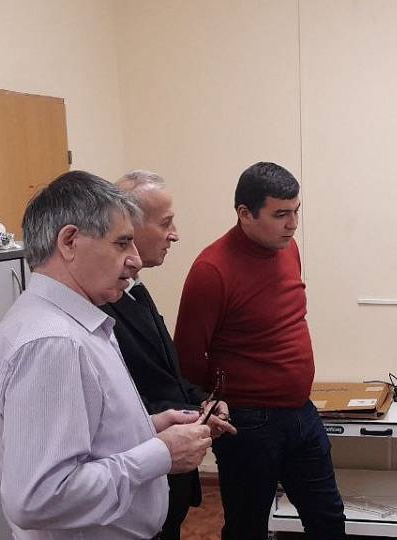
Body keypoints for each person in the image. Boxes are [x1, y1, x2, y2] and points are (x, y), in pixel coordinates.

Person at [0, 170, 222, 539]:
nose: (135, 260)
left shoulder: (75, 323)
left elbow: (85, 440)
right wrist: (159, 453)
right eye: (122, 243)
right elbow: (38, 498)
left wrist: (146, 428)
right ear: (70, 242)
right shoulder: (54, 342)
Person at [175, 162, 346, 539]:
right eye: (280, 214)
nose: (293, 224)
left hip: (301, 410)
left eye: (296, 211)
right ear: (245, 214)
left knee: (328, 517)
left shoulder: (288, 248)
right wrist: (217, 404)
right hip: (249, 422)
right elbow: (188, 355)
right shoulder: (212, 270)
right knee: (247, 527)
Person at [102, 170, 235, 540]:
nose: (174, 234)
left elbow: (165, 375)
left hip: (167, 483)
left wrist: (202, 403)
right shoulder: (99, 307)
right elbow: (117, 404)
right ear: (128, 227)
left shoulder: (135, 290)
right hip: (136, 484)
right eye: (165, 223)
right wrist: (184, 418)